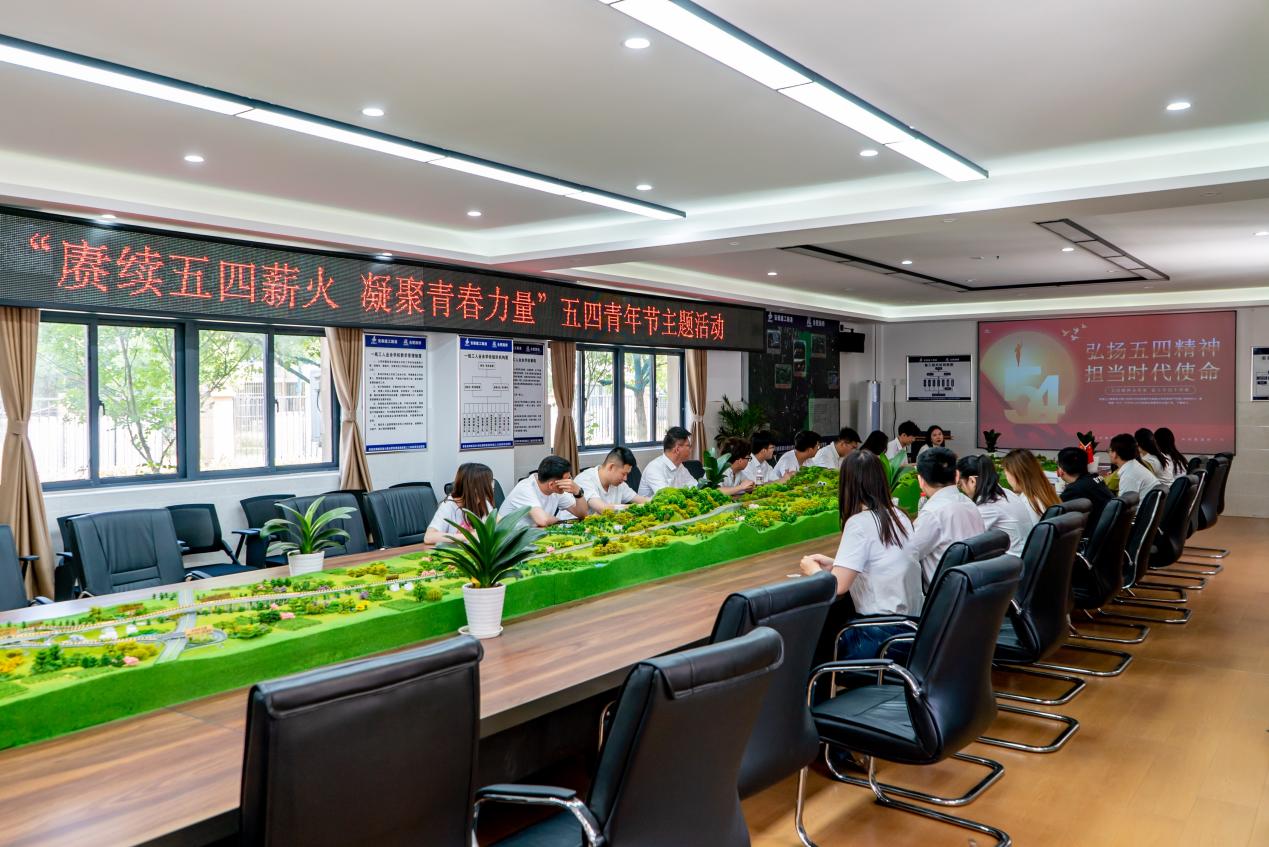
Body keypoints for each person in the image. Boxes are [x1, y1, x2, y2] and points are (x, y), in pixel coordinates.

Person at [799, 450, 922, 660]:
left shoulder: (859, 523)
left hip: (880, 636)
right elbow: (880, 563)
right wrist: (837, 564)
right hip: (912, 630)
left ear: (847, 485)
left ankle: (819, 681)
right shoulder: (899, 515)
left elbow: (838, 587)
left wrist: (814, 571)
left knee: (811, 639)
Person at [905, 447, 985, 586]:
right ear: (957, 476)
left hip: (946, 593)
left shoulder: (933, 513)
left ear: (920, 480)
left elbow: (907, 554)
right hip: (971, 586)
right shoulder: (969, 503)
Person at [957, 454, 1035, 557]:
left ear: (972, 481)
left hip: (1013, 561)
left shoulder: (988, 506)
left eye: (960, 484)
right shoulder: (1006, 493)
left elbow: (964, 540)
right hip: (1023, 556)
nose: (962, 489)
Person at [499, 455, 589, 528]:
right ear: (551, 485)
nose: (570, 482)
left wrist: (578, 492)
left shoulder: (557, 490)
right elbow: (543, 520)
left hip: (533, 533)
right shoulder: (525, 489)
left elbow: (582, 514)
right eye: (567, 479)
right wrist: (558, 520)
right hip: (510, 539)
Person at [425, 462, 497, 544]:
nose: (492, 484)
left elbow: (500, 524)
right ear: (475, 487)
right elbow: (429, 537)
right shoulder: (449, 505)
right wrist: (470, 536)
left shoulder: (483, 502)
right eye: (489, 481)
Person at [1056, 446, 1112, 533]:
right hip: (1107, 531)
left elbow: (1056, 514)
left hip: (1090, 536)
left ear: (1061, 470)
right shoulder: (1096, 478)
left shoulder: (1074, 490)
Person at [575, 447, 649, 513]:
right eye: (623, 474)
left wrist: (654, 501)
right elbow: (602, 508)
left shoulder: (619, 484)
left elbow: (641, 500)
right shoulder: (585, 479)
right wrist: (636, 507)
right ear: (611, 467)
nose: (625, 478)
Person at [1001, 448, 1061, 521]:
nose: (1007, 479)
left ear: (1017, 474)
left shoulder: (1028, 504)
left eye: (1006, 474)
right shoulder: (1047, 495)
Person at [638, 426, 697, 497]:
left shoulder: (680, 466)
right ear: (677, 449)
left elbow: (694, 486)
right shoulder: (654, 468)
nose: (691, 449)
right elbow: (666, 497)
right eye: (688, 446)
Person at [1109, 432, 1164, 500]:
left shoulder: (1129, 476)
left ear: (1115, 454)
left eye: (1110, 450)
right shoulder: (1134, 466)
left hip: (1141, 507)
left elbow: (1123, 505)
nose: (1109, 453)